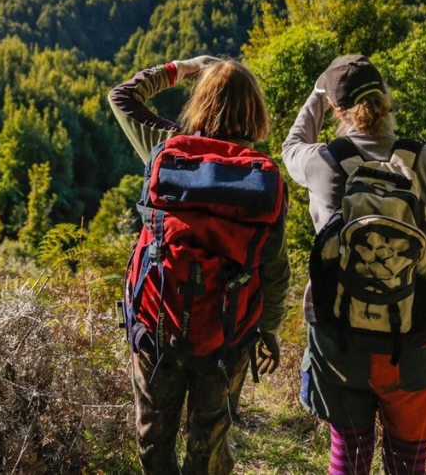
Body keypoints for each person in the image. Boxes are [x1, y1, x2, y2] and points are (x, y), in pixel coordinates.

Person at [282, 55, 426, 475]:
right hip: (416, 334)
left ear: (337, 110)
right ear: (386, 101)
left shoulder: (321, 161)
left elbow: (290, 145)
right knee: (408, 456)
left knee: (348, 450)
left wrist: (317, 93)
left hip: (338, 336)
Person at [109, 56, 291, 475]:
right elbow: (275, 269)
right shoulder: (262, 179)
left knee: (154, 434)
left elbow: (122, 97)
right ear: (255, 112)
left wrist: (185, 67)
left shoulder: (168, 150)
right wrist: (270, 330)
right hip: (229, 335)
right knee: (208, 441)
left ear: (201, 102)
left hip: (158, 326)